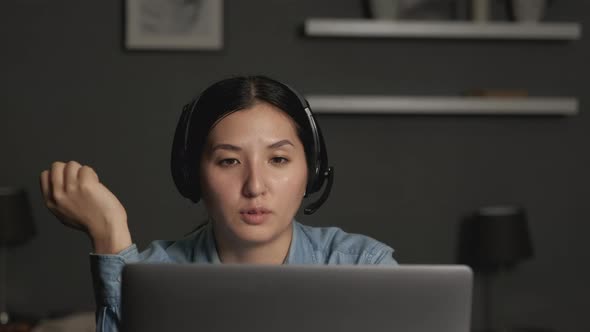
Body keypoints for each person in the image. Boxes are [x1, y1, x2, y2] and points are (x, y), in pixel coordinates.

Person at [39, 75, 397, 332]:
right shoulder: (153, 276)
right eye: (229, 161)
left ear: (312, 171)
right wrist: (108, 234)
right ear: (192, 174)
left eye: (278, 160)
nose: (255, 186)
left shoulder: (365, 267)